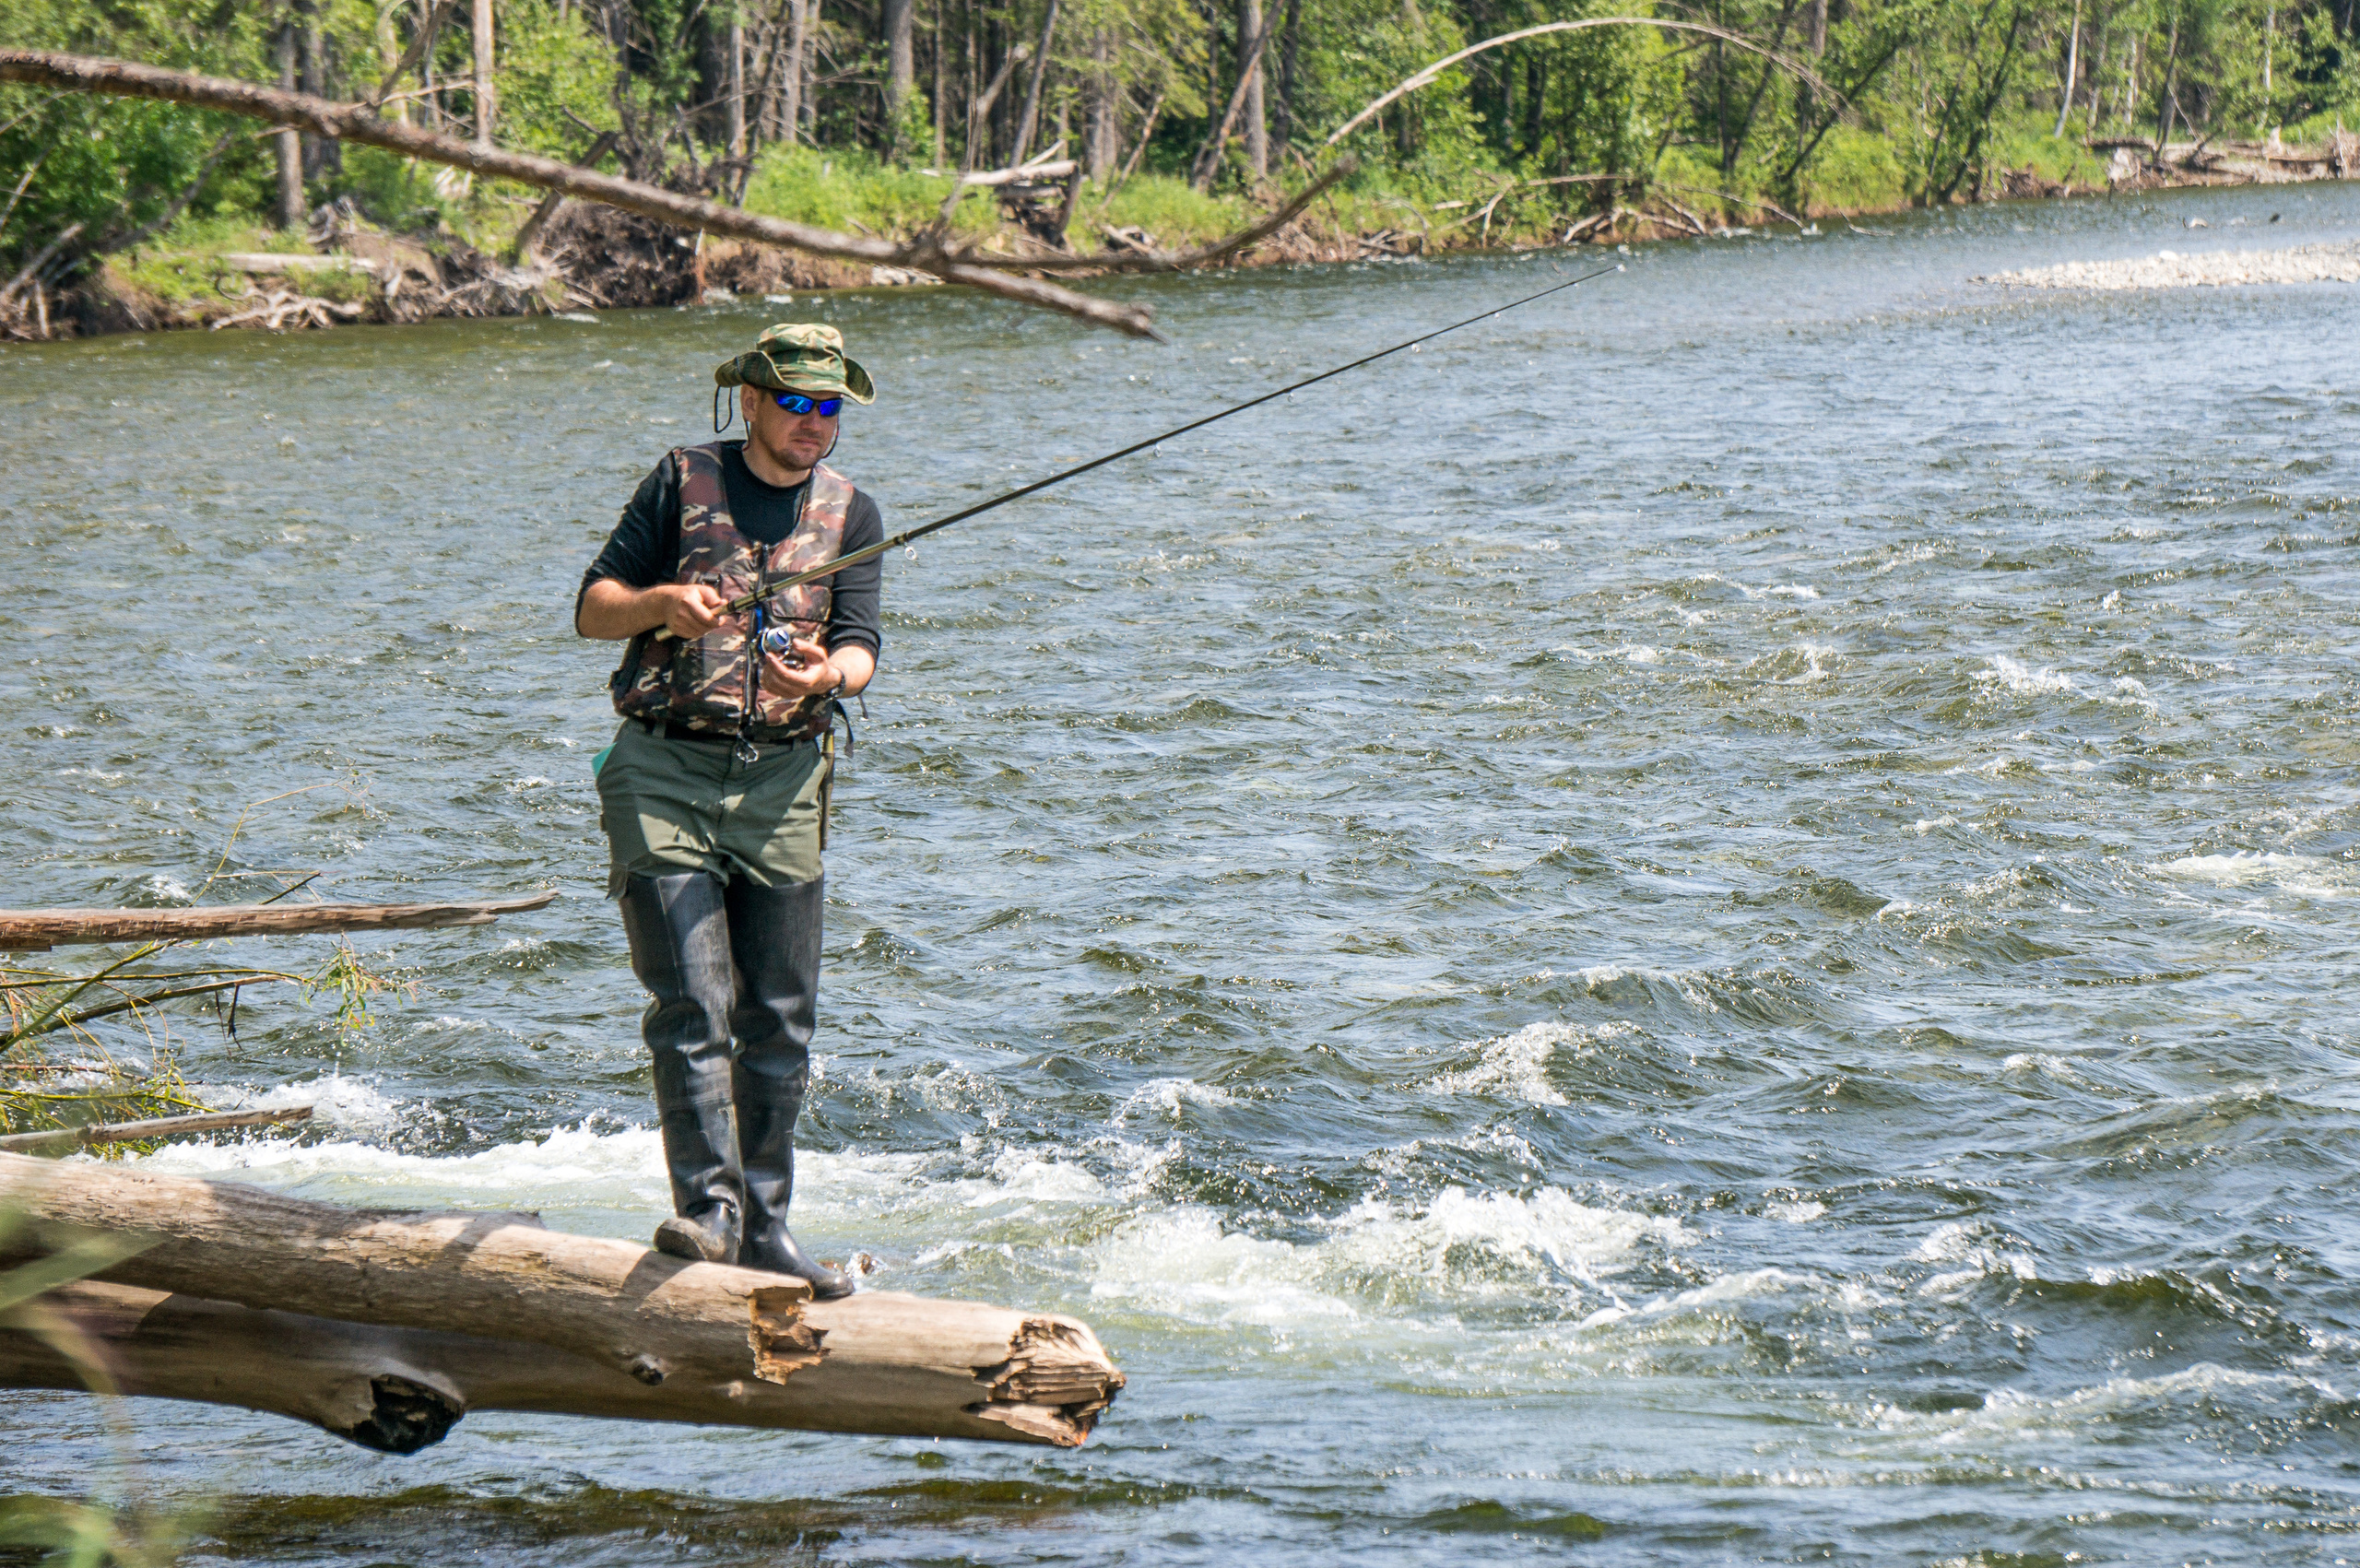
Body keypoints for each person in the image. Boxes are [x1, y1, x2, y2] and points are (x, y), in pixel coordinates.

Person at [575, 323, 883, 1298]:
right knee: (693, 999)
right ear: (748, 400)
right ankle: (708, 1214)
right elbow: (592, 609)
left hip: (785, 783)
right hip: (662, 773)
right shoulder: (680, 479)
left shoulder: (852, 513)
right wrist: (661, 604)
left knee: (781, 1016)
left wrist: (825, 672)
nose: (812, 424)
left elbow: (862, 643)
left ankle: (766, 1225)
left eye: (828, 407)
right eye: (794, 402)